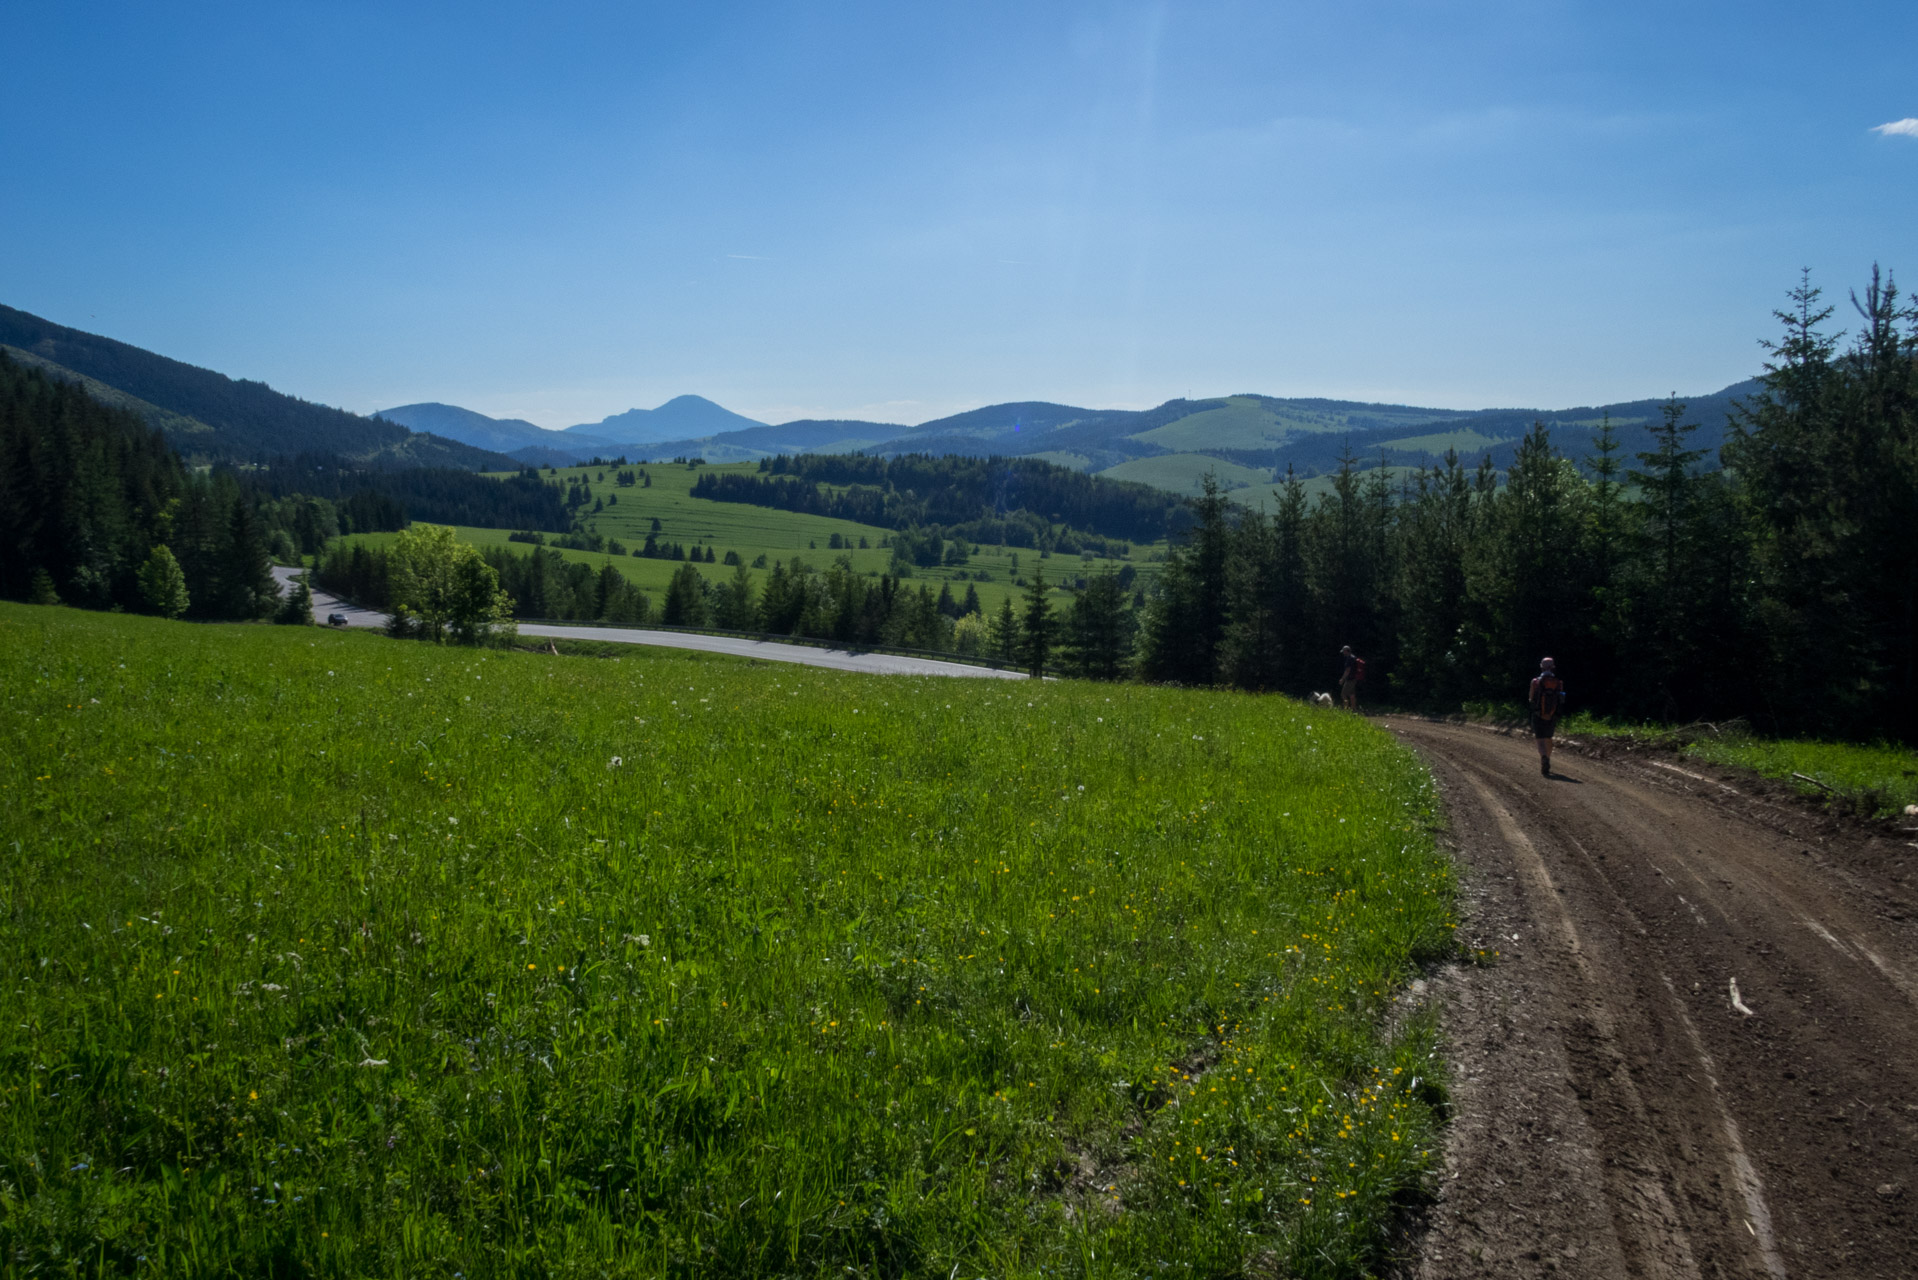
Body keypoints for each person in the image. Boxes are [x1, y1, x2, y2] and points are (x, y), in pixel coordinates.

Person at [1528, 657, 1567, 776]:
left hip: (1538, 714)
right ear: (1553, 667)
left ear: (1541, 666)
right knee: (1548, 738)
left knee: (1540, 739)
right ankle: (1548, 758)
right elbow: (1561, 699)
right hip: (1552, 715)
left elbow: (1530, 698)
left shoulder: (1535, 681)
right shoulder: (1559, 682)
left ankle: (1543, 757)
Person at [1338, 645, 1360, 712]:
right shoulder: (1354, 657)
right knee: (1351, 694)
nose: (1343, 653)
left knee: (1343, 694)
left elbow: (1347, 670)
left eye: (1343, 651)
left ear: (1346, 651)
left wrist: (1342, 679)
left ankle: (1346, 709)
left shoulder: (1349, 658)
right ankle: (1353, 709)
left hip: (1350, 679)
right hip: (1354, 678)